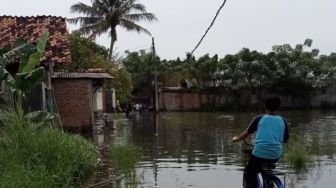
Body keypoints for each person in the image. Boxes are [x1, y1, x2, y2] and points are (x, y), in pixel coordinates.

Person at [232, 95, 289, 188]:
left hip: (259, 154)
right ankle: (270, 182)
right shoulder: (283, 121)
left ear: (265, 106)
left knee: (249, 172)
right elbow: (285, 140)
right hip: (275, 155)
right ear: (279, 107)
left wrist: (236, 139)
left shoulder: (259, 118)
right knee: (268, 169)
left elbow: (246, 133)